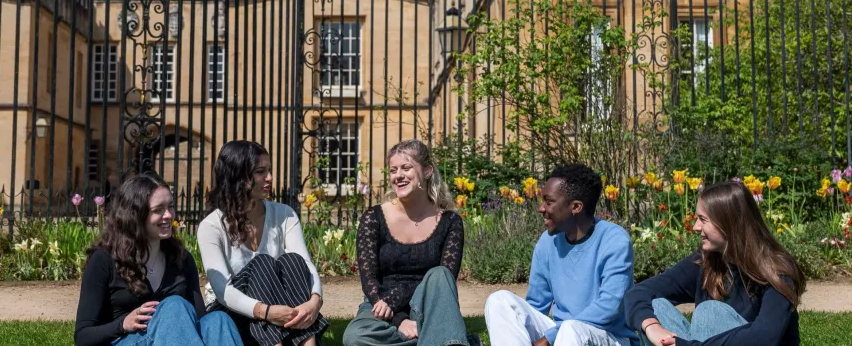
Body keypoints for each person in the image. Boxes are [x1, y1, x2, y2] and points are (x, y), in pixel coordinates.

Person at [622, 181, 805, 346]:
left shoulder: (778, 271)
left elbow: (765, 336)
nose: (695, 227)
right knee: (656, 306)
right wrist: (652, 326)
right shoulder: (707, 261)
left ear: (729, 223)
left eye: (703, 219)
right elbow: (638, 292)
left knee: (710, 312)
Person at [75, 173, 241, 346]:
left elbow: (200, 322)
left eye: (170, 207)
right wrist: (122, 324)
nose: (169, 215)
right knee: (174, 306)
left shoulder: (181, 259)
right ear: (135, 216)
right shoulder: (104, 260)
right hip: (125, 340)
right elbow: (83, 337)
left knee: (218, 320)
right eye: (158, 210)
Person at [484, 164, 635, 346]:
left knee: (571, 328)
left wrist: (549, 337)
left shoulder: (614, 240)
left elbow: (609, 308)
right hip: (563, 335)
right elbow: (535, 308)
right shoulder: (547, 242)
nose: (541, 208)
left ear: (576, 207)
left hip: (609, 337)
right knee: (500, 300)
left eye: (549, 202)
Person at [199, 141, 328, 346]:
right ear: (237, 176)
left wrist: (314, 300)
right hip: (232, 312)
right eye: (261, 172)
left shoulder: (284, 214)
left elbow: (305, 264)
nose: (269, 178)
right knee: (262, 264)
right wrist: (265, 311)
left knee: (293, 261)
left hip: (282, 312)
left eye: (269, 170)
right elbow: (224, 291)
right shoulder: (211, 226)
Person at [342, 139, 467, 346]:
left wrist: (399, 298)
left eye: (406, 168)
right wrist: (399, 320)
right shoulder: (373, 218)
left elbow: (445, 282)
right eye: (393, 170)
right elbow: (369, 281)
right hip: (382, 306)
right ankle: (439, 338)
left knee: (438, 274)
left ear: (427, 171)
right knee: (356, 337)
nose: (398, 175)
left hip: (430, 305)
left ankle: (435, 334)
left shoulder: (450, 222)